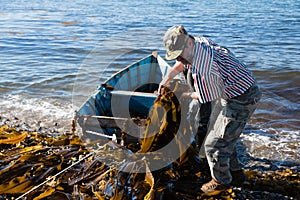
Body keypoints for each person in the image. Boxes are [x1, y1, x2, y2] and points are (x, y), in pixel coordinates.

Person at [160, 25, 262, 194]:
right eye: (175, 55)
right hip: (234, 85)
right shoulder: (199, 42)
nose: (178, 59)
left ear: (189, 44)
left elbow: (204, 97)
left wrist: (182, 94)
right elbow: (182, 63)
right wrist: (167, 78)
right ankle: (236, 173)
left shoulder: (203, 71)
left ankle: (221, 181)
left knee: (213, 144)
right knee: (224, 135)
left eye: (179, 54)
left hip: (242, 97)